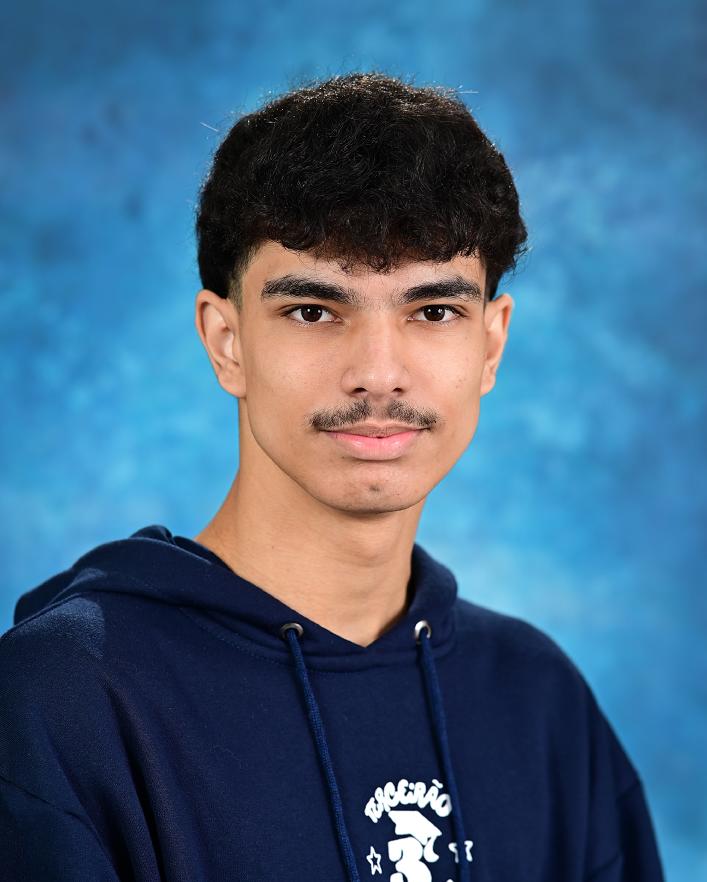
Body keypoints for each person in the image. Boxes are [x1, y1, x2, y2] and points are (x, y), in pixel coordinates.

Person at [0, 71, 665, 882]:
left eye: (433, 311)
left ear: (490, 345)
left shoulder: (538, 702)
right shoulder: (67, 700)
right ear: (226, 342)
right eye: (313, 311)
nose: (377, 374)